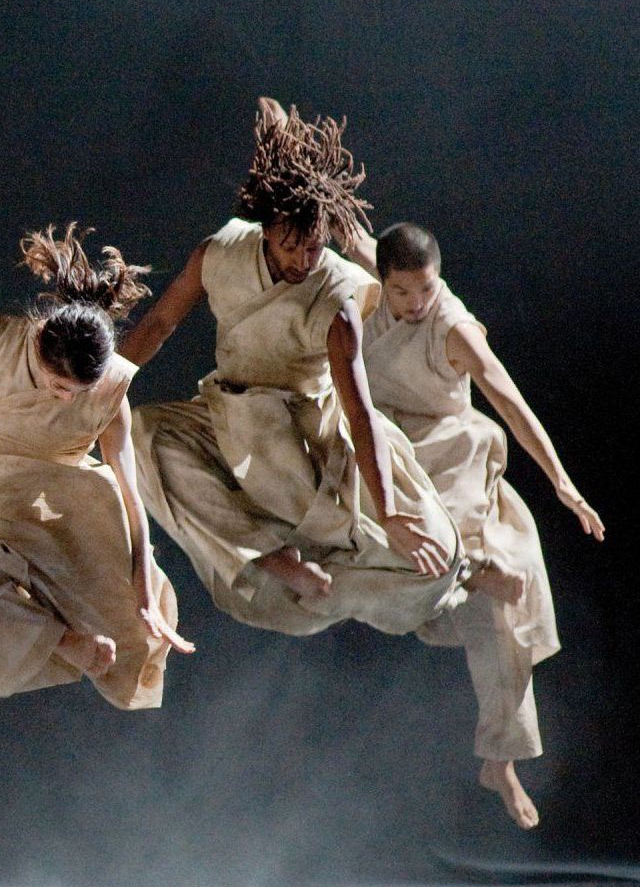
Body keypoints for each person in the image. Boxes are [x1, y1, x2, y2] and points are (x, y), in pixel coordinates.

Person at [122, 98, 467, 685]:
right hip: (229, 409)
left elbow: (358, 410)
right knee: (142, 433)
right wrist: (96, 393)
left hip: (312, 430)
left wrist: (391, 512)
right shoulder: (218, 254)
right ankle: (266, 555)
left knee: (439, 558)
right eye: (291, 246)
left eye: (315, 246)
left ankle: (375, 584)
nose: (304, 260)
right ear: (265, 228)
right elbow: (157, 326)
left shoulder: (336, 298)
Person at [0, 224, 194, 709]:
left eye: (73, 392)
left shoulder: (111, 391)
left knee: (134, 635)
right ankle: (60, 641)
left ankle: (89, 632)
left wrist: (145, 589)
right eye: (54, 383)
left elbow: (130, 492)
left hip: (60, 508)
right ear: (40, 340)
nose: (61, 396)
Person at [350, 219, 604, 827]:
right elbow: (341, 220)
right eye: (404, 292)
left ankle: (500, 761)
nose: (416, 304)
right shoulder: (368, 280)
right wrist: (275, 122)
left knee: (503, 615)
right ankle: (462, 571)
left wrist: (562, 482)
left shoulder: (452, 328)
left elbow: (510, 402)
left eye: (427, 289)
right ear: (383, 280)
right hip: (382, 449)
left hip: (449, 457)